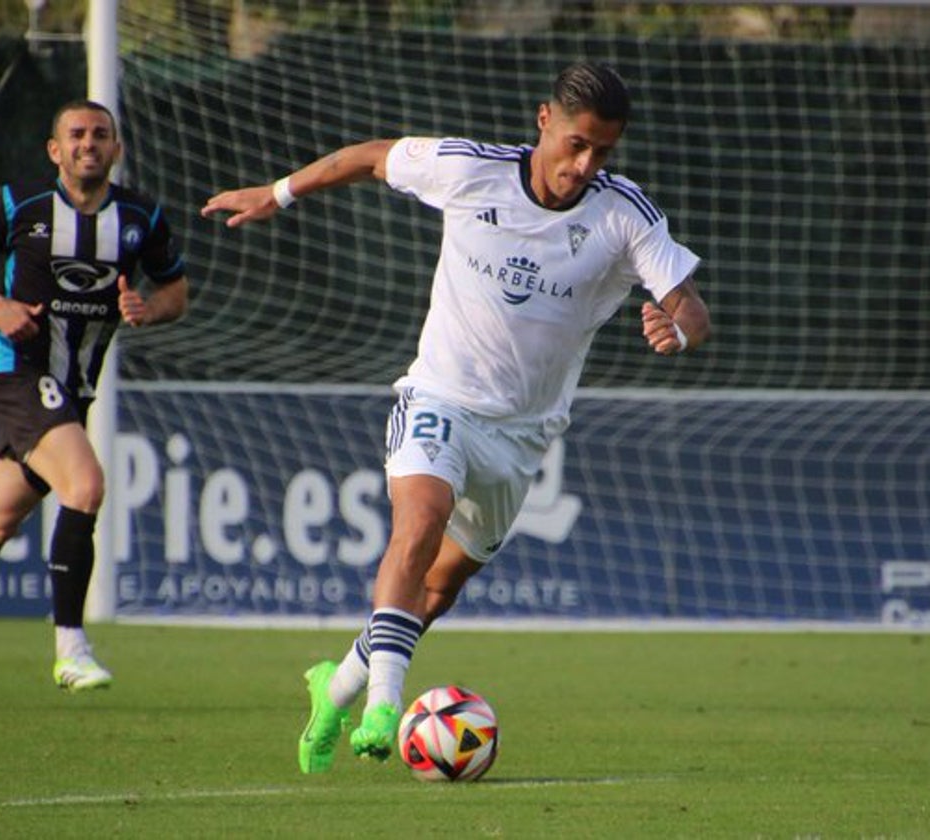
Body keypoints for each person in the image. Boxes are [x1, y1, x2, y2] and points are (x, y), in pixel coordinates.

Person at [202, 62, 710, 770]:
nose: (585, 164)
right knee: (419, 521)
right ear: (543, 121)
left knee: (436, 589)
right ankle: (384, 707)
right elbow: (371, 158)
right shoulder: (470, 169)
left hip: (524, 434)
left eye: (602, 151)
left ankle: (337, 683)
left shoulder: (626, 214)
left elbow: (689, 302)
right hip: (440, 395)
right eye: (575, 144)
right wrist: (279, 193)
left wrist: (678, 327)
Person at [0, 99, 190, 692]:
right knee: (86, 484)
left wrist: (147, 309)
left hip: (73, 390)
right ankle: (71, 647)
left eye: (100, 135)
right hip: (19, 375)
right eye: (76, 135)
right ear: (55, 150)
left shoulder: (141, 219)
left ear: (116, 149)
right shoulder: (16, 205)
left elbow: (176, 290)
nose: (88, 143)